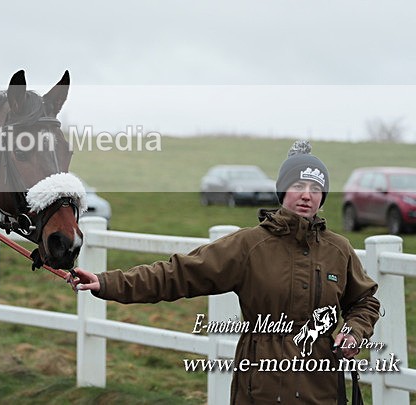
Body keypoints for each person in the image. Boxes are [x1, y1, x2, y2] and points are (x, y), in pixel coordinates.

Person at [69, 141, 380, 404]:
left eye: (315, 188)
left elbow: (365, 301)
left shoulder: (338, 250)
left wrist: (354, 331)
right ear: (282, 190)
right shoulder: (249, 246)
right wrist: (107, 282)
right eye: (298, 186)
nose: (306, 195)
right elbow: (178, 274)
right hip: (261, 388)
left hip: (322, 388)